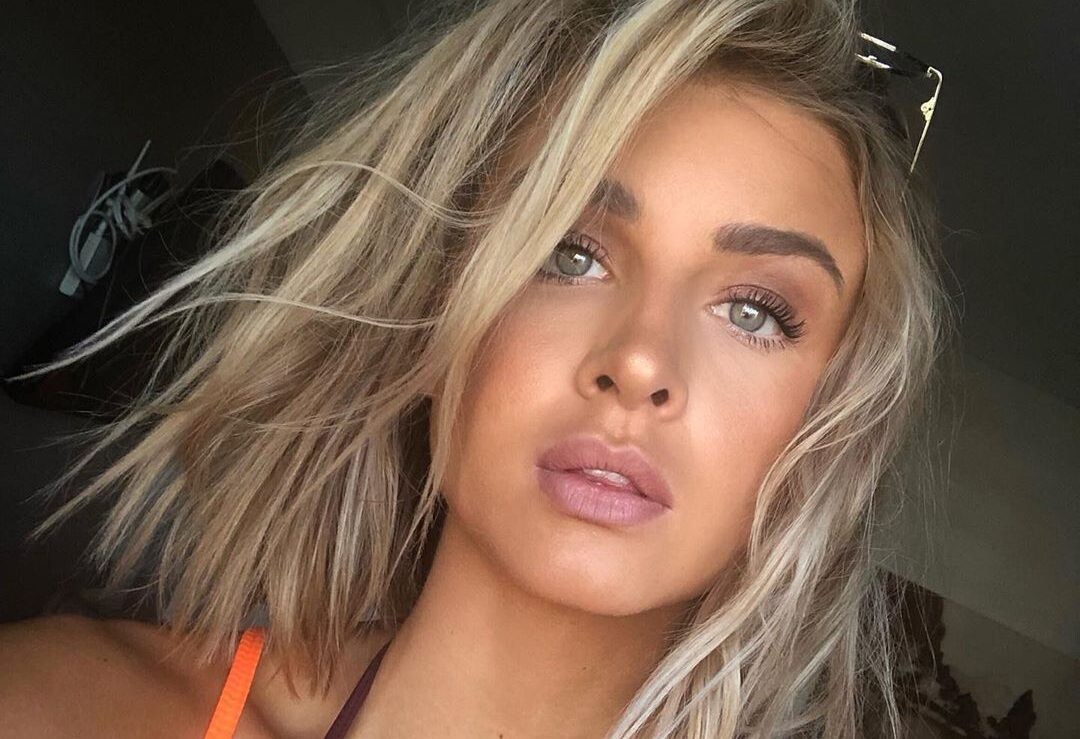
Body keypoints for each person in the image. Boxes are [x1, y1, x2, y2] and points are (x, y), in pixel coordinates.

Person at [0, 0, 953, 736]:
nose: (638, 361)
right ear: (437, 311)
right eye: (567, 252)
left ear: (830, 421)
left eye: (755, 312)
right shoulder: (60, 708)